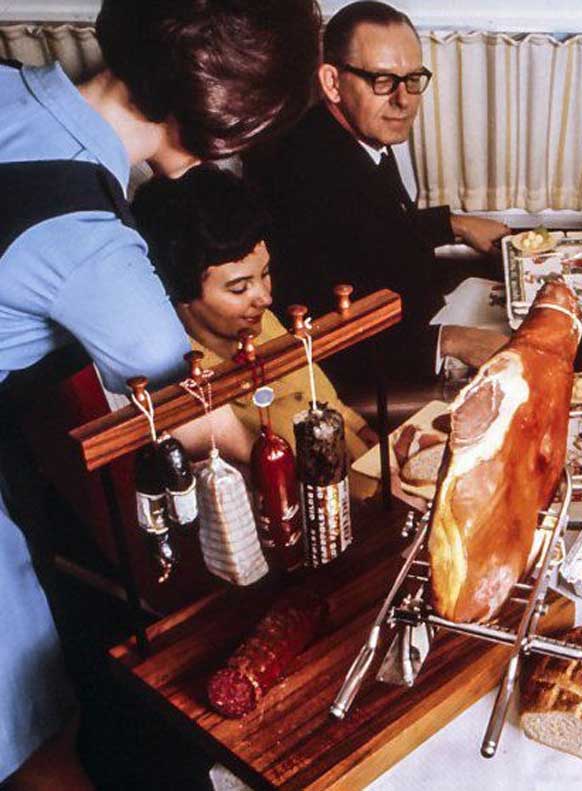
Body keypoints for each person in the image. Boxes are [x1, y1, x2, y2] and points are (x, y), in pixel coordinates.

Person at [0, 0, 320, 786]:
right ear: (222, 117)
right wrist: (302, 485)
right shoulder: (93, 246)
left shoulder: (15, 84)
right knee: (36, 734)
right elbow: (198, 417)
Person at [243, 1, 510, 389]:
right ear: (332, 82)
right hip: (390, 367)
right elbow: (325, 340)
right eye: (382, 81)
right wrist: (453, 340)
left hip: (417, 314)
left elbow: (374, 229)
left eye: (412, 79)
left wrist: (454, 224)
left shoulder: (342, 136)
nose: (403, 100)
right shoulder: (305, 180)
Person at [131, 165, 377, 499]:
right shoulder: (185, 388)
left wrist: (371, 438)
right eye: (239, 288)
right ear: (180, 294)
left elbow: (330, 405)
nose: (266, 297)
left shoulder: (258, 322)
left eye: (265, 274)